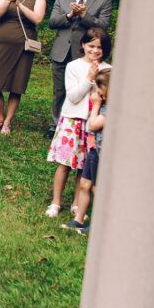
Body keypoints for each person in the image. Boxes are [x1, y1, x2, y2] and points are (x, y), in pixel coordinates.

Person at [45, 28, 112, 219]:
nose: (95, 51)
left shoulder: (109, 69)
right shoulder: (73, 66)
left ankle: (77, 203)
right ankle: (56, 202)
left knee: (84, 165)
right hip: (73, 120)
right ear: (83, 45)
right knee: (64, 163)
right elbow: (73, 96)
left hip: (94, 122)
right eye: (91, 46)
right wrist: (89, 78)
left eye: (99, 47)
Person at [47, 0, 113, 128]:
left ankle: (85, 122)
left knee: (86, 88)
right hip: (62, 50)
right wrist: (69, 16)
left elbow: (103, 25)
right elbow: (52, 22)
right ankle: (56, 125)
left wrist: (84, 15)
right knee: (59, 90)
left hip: (87, 52)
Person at [0, 0, 47, 134]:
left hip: (23, 47)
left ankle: (7, 122)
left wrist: (19, 4)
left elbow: (37, 19)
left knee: (16, 84)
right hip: (2, 44)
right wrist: (9, 1)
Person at [65, 68, 110, 235]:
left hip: (101, 154)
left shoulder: (108, 109)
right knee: (85, 184)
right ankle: (79, 219)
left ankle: (99, 224)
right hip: (93, 150)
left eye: (99, 88)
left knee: (97, 189)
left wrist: (97, 105)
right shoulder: (104, 105)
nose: (96, 92)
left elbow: (93, 125)